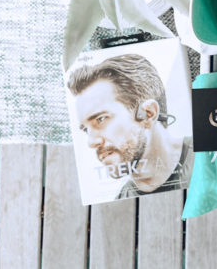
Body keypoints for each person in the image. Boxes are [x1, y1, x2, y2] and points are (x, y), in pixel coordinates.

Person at [67, 54, 192, 199]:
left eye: (101, 119)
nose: (91, 142)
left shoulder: (206, 155)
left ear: (148, 114)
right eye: (85, 129)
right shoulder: (123, 199)